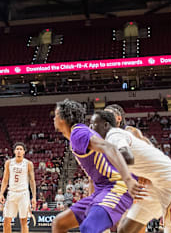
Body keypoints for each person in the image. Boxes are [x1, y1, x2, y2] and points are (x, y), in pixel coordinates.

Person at [90, 110, 171, 233]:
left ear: (106, 125)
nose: (90, 127)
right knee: (125, 230)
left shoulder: (114, 135)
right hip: (153, 184)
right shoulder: (108, 141)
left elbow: (127, 156)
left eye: (94, 123)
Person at [51, 100, 144, 233]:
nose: (54, 118)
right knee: (59, 223)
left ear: (64, 118)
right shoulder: (78, 134)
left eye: (56, 115)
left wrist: (128, 180)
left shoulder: (78, 133)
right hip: (102, 189)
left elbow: (109, 147)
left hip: (118, 186)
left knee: (89, 228)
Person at [0, 143, 36, 233]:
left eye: (21, 149)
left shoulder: (28, 164)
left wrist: (34, 197)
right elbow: (5, 179)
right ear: (14, 151)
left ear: (24, 151)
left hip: (23, 194)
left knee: (23, 221)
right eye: (17, 149)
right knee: (6, 220)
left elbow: (32, 181)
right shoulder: (9, 163)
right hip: (11, 193)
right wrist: (1, 193)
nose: (19, 151)